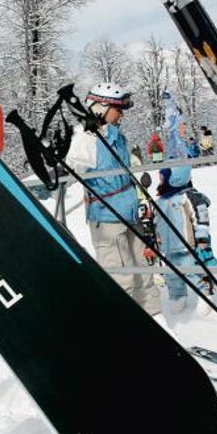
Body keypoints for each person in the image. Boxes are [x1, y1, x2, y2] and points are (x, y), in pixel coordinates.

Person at [65, 82, 159, 316]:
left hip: (130, 213)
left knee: (144, 275)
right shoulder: (85, 139)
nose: (122, 114)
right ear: (100, 108)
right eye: (118, 108)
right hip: (107, 218)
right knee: (121, 278)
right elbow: (69, 169)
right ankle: (125, 330)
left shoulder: (117, 136)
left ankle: (156, 323)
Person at [154, 166, 217, 313]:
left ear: (176, 178)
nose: (161, 180)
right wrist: (158, 240)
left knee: (193, 272)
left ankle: (205, 295)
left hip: (187, 246)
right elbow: (158, 223)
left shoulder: (189, 197)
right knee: (172, 275)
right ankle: (178, 297)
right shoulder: (162, 199)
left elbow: (200, 217)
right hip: (169, 248)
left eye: (163, 177)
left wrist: (202, 238)